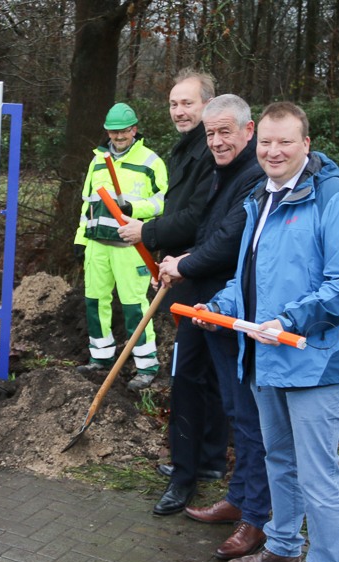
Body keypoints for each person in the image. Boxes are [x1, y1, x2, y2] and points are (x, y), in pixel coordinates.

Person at [199, 102, 339, 562]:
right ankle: (282, 547)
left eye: (285, 142)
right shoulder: (261, 196)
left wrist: (287, 319)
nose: (273, 151)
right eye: (266, 143)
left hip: (313, 363)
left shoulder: (330, 198)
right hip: (262, 356)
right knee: (278, 460)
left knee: (321, 481)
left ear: (306, 143)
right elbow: (248, 280)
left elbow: (338, 285)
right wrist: (218, 306)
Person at [158, 95, 269, 560]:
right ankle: (240, 499)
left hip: (233, 309)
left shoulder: (253, 176)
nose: (217, 141)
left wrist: (185, 264)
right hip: (209, 304)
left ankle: (256, 518)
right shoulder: (224, 172)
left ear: (249, 131)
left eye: (226, 132)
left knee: (249, 415)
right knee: (233, 407)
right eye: (211, 134)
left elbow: (228, 240)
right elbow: (208, 228)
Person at [118, 69, 230, 516]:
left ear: (209, 105)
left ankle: (186, 476)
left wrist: (149, 232)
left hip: (205, 279)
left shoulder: (210, 154)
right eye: (173, 104)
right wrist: (164, 259)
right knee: (203, 374)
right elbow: (178, 209)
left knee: (190, 377)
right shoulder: (188, 150)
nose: (179, 111)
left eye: (188, 103)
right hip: (186, 271)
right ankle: (205, 462)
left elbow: (196, 220)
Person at [73, 102, 167, 391]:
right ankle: (100, 358)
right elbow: (87, 204)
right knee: (94, 301)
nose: (118, 137)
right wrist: (80, 239)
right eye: (113, 132)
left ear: (134, 130)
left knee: (134, 305)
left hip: (130, 245)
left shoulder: (151, 162)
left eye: (124, 131)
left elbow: (164, 202)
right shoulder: (97, 161)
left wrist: (133, 206)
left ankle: (146, 364)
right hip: (97, 244)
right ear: (107, 132)